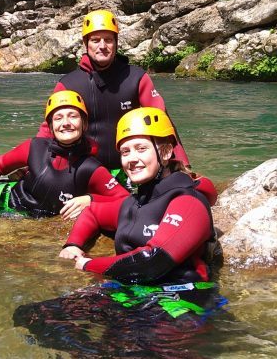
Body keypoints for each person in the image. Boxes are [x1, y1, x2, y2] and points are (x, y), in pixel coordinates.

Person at [39, 9, 216, 205]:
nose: (102, 46)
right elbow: (49, 129)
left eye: (108, 40)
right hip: (85, 169)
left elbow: (162, 121)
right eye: (95, 40)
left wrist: (182, 164)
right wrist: (35, 165)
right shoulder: (69, 83)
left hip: (130, 167)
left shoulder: (135, 77)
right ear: (85, 44)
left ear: (116, 43)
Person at [59, 107, 217, 287]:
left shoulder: (189, 202)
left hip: (183, 300)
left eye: (141, 149)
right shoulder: (135, 202)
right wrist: (73, 244)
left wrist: (90, 264)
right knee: (36, 313)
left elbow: (154, 261)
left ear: (165, 152)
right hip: (138, 294)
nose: (131, 159)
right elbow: (93, 212)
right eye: (125, 152)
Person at [0, 90, 128, 218]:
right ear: (50, 126)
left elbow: (125, 200)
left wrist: (91, 200)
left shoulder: (91, 167)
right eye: (58, 118)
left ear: (84, 124)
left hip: (24, 216)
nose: (65, 123)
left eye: (73, 116)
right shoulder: (35, 147)